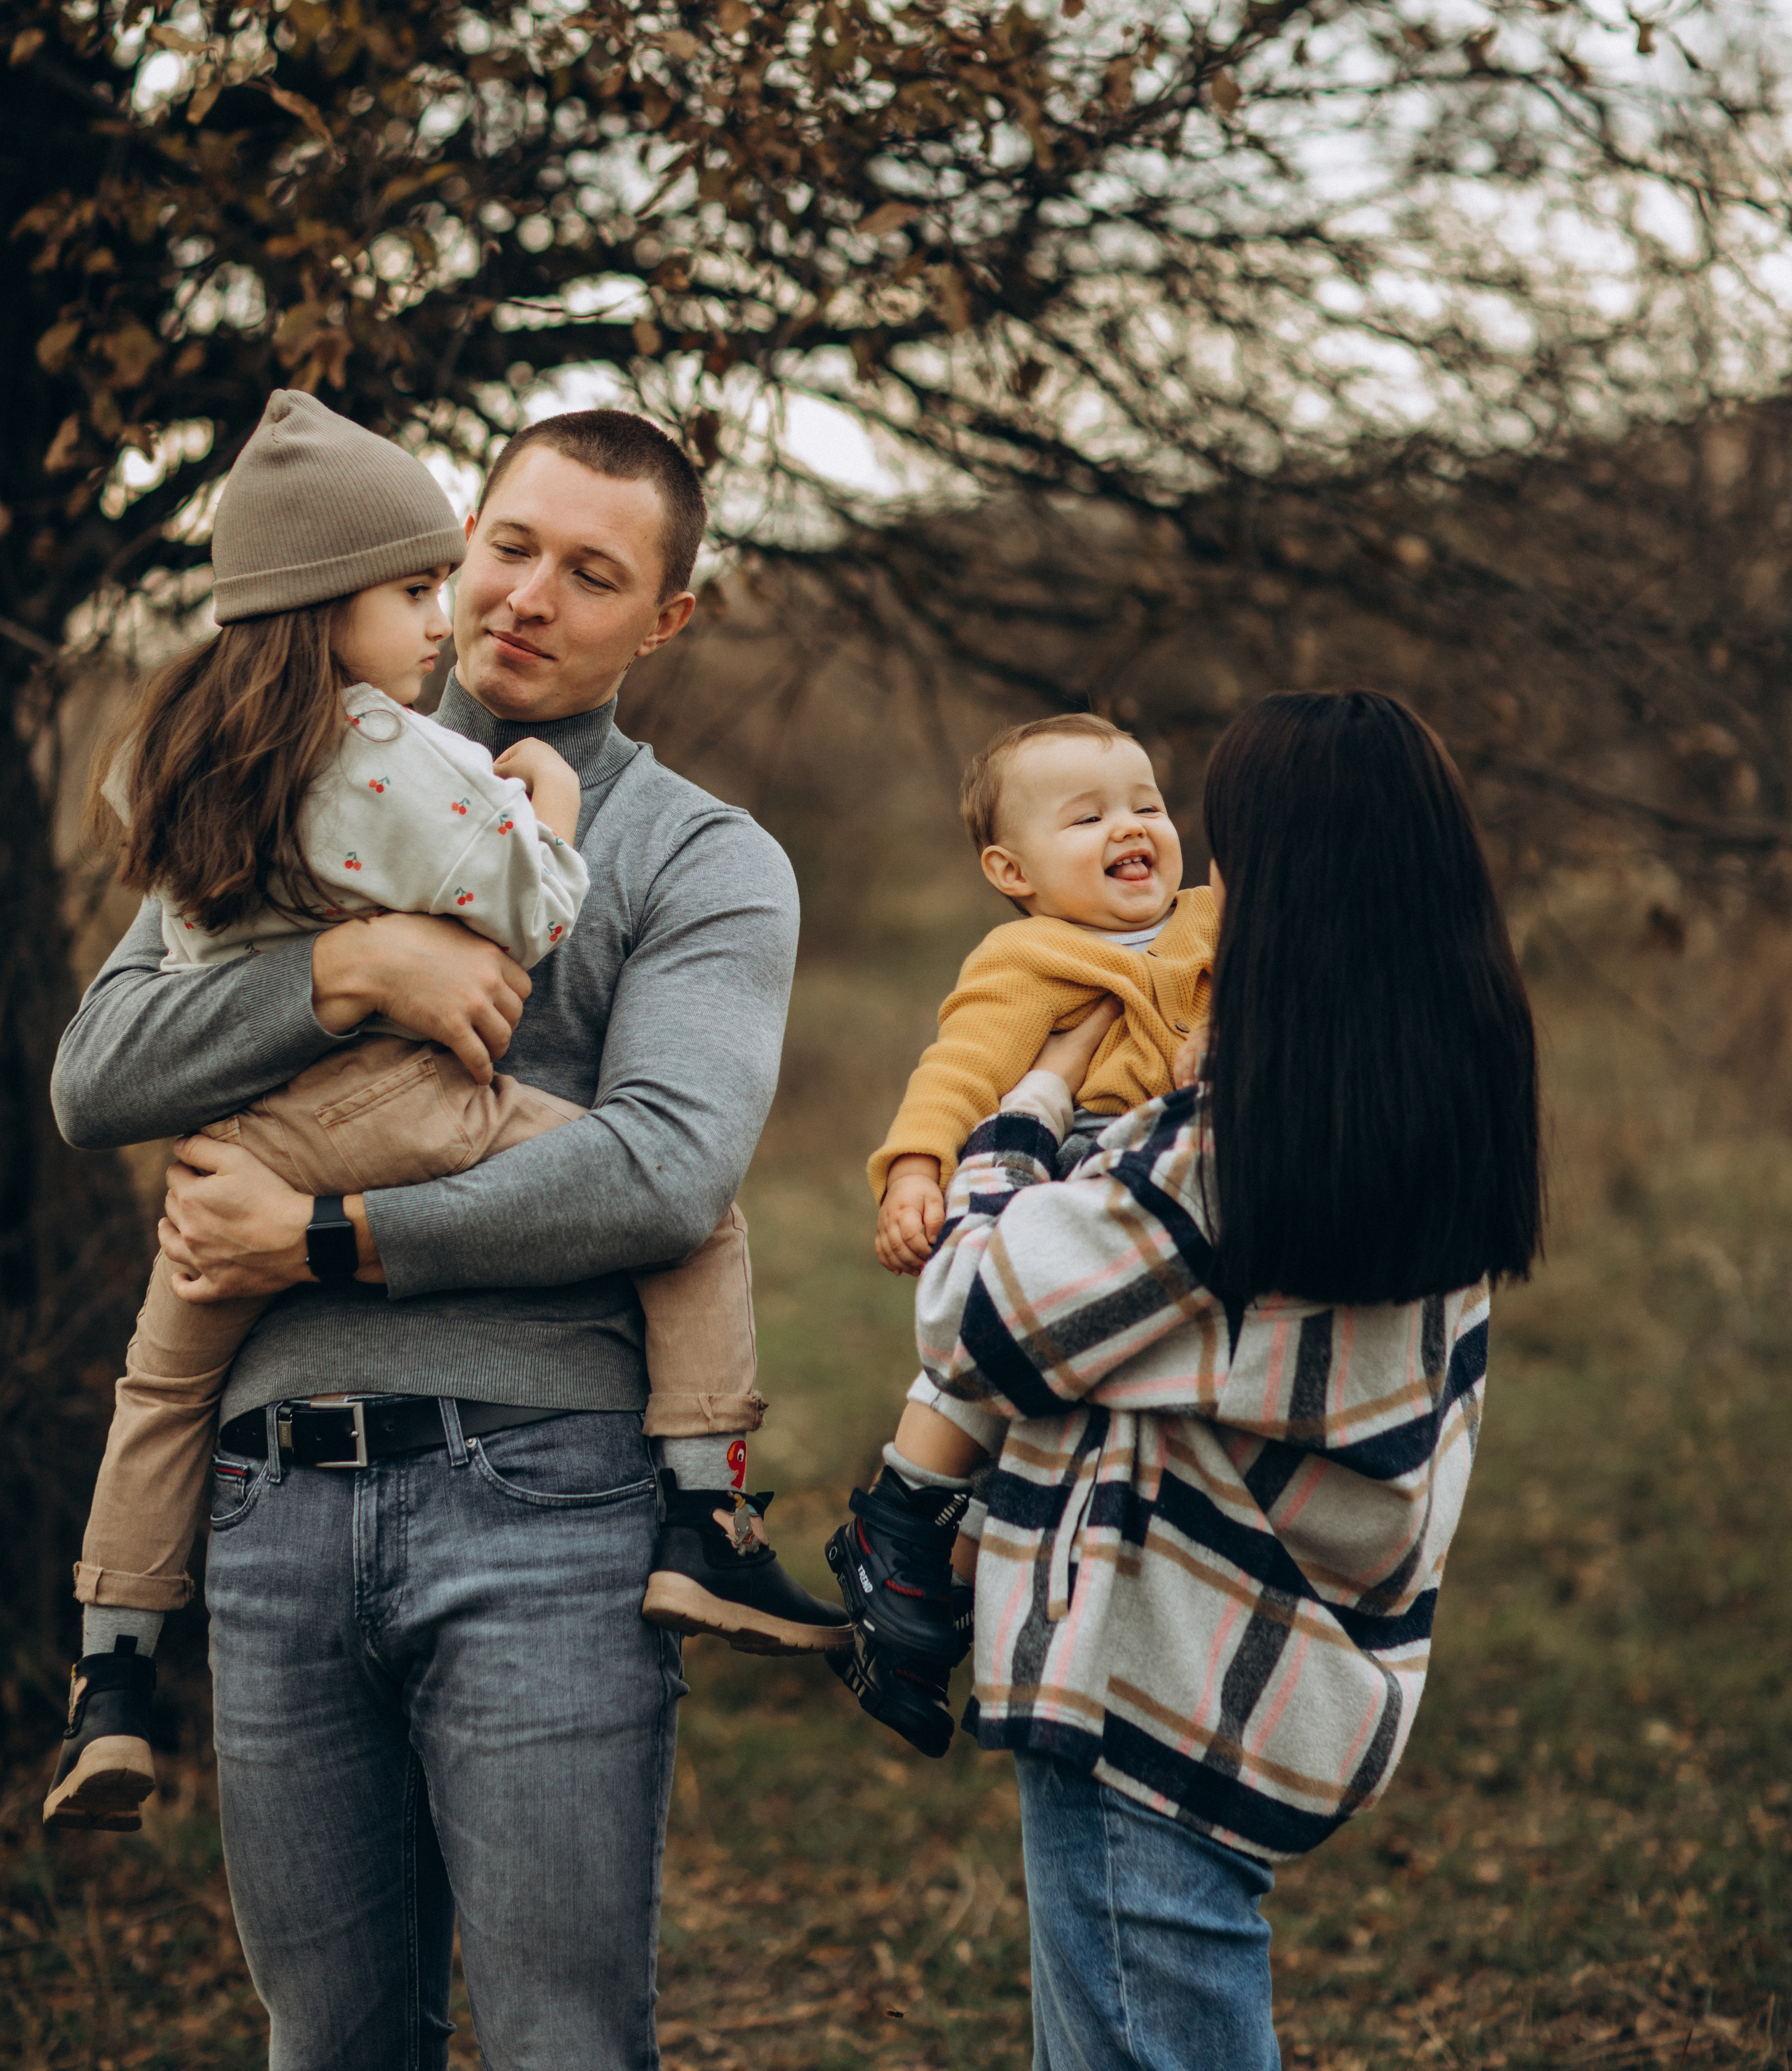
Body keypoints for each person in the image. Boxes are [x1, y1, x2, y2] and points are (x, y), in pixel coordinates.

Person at [50, 398, 838, 2067]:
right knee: (328, 2040)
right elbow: (96, 1072)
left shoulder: (702, 859)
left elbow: (665, 1171)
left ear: (665, 618)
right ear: (449, 545)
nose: (527, 597)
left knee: (560, 2037)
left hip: (544, 1503)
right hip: (271, 1508)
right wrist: (346, 974)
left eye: (593, 573)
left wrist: (329, 1239)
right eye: (507, 546)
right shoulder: (272, 772)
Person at [911, 690, 1543, 2070]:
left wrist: (1026, 1104)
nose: (1201, 883)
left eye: (1224, 856)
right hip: (1303, 1648)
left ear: (1281, 889)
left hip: (1151, 1674)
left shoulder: (1223, 1157)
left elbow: (965, 1314)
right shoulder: (1445, 1105)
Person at [828, 713, 1219, 1751]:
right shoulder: (1028, 955)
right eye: (1087, 817)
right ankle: (903, 1522)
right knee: (985, 1357)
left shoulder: (1214, 919)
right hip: (1066, 1168)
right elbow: (956, 1073)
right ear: (1012, 868)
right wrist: (914, 1167)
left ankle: (935, 1606)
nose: (1131, 827)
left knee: (1042, 1433)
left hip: (1174, 1181)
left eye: (1147, 804)